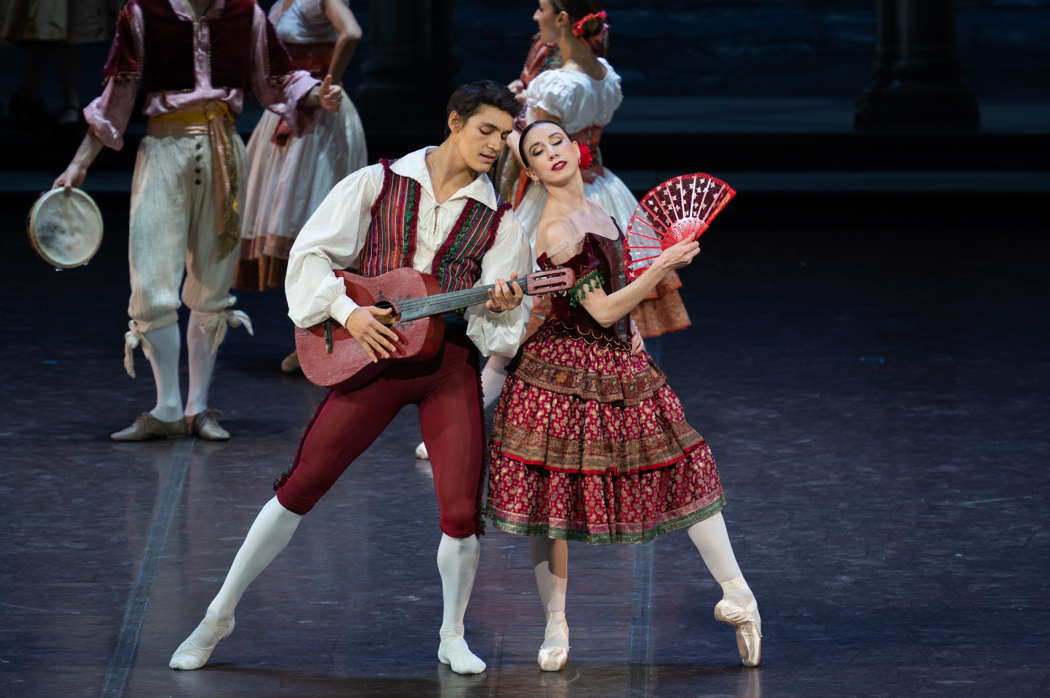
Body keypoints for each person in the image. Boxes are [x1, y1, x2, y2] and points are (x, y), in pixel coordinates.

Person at [168, 81, 532, 675]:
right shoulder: (377, 183)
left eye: (504, 135)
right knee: (302, 483)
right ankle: (219, 614)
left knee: (462, 510)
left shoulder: (501, 222)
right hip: (375, 355)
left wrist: (500, 307)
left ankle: (452, 633)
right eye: (484, 130)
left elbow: (503, 330)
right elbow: (310, 254)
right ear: (454, 121)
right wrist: (349, 312)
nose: (495, 144)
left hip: (447, 367)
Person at [486, 120, 762, 671]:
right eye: (537, 152)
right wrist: (661, 265)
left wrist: (633, 331)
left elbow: (617, 304)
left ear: (575, 146)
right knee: (553, 503)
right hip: (560, 373)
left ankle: (739, 594)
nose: (551, 154)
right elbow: (603, 308)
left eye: (556, 142)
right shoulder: (553, 228)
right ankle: (555, 624)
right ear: (531, 170)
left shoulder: (601, 209)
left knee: (682, 465)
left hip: (620, 363)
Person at [52, 0, 340, 441]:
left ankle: (197, 407)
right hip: (165, 150)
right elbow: (118, 94)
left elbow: (278, 81)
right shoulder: (143, 14)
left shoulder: (246, 15)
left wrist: (319, 95)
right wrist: (79, 165)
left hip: (224, 150)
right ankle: (167, 405)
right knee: (151, 282)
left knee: (212, 282)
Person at [414, 0, 688, 461]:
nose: (534, 16)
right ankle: (637, 428)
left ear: (562, 19)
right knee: (615, 324)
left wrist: (516, 124)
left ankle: (454, 431)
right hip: (603, 190)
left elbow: (531, 149)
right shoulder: (604, 72)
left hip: (558, 198)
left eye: (541, 8)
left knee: (522, 325)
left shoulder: (556, 84)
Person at [236, 0, 368, 373]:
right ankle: (310, 336)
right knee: (293, 233)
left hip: (319, 124)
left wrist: (329, 80)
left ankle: (326, 339)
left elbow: (352, 32)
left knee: (316, 233)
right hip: (289, 116)